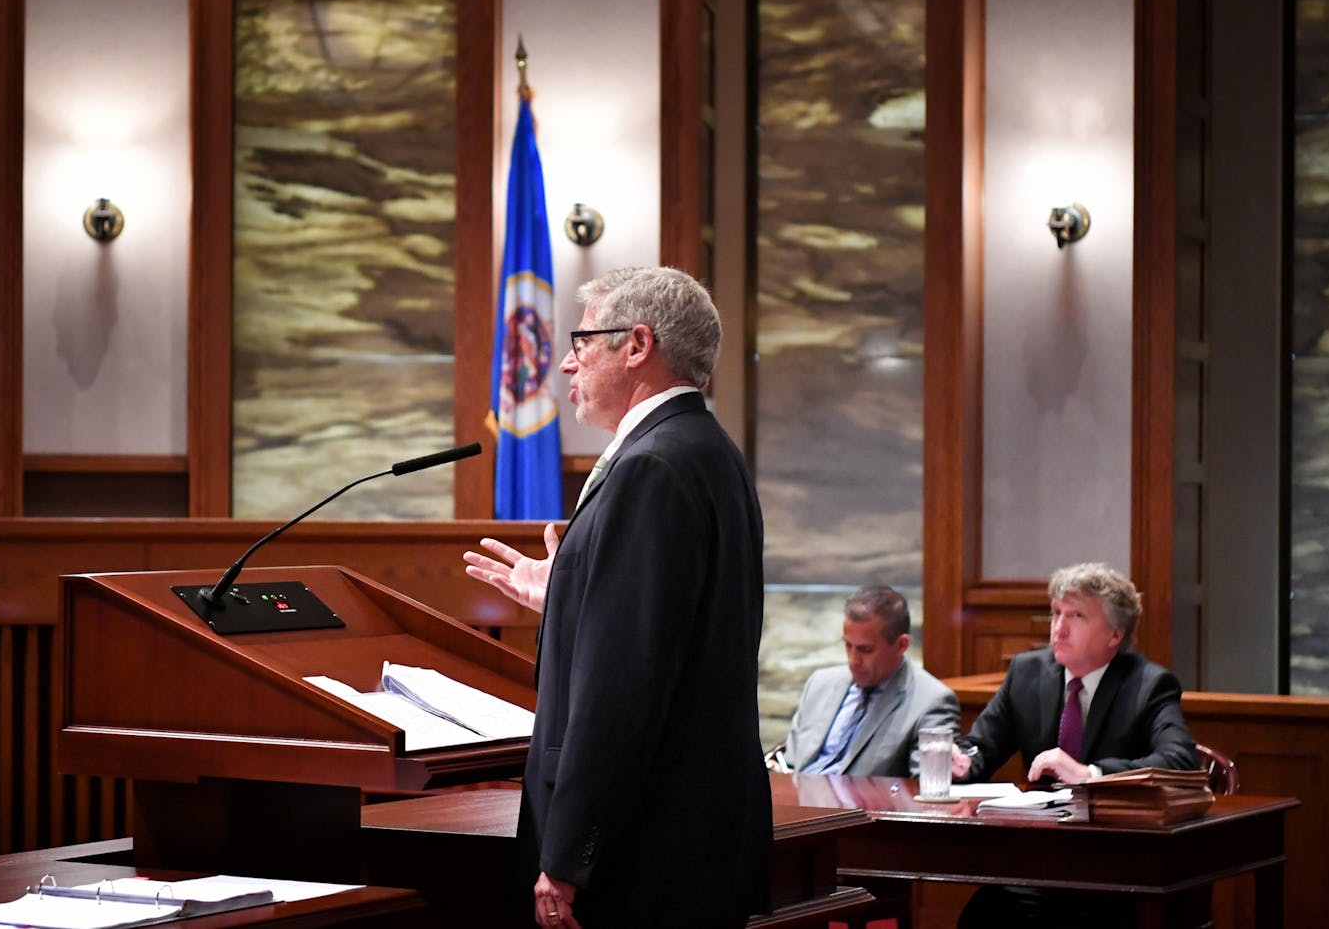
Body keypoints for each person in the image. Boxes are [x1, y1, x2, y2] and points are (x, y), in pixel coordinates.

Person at [463, 266, 771, 929]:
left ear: (637, 345)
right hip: (690, 836)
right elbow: (668, 630)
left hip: (641, 854)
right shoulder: (710, 452)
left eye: (582, 341)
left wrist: (572, 854)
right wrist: (571, 595)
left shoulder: (651, 467)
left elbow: (622, 688)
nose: (567, 365)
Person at [951, 561, 1199, 928]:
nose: (1059, 628)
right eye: (1055, 613)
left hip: (1115, 863)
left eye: (1077, 616)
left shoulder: (1149, 685)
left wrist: (1090, 774)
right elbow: (981, 746)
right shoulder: (1026, 673)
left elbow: (1181, 760)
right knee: (984, 915)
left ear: (1115, 634)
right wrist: (962, 759)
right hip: (1039, 856)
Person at [782, 585, 959, 776]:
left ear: (901, 645)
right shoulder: (820, 684)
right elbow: (789, 765)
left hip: (861, 804)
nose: (853, 659)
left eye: (865, 650)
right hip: (795, 799)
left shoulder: (931, 701)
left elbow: (926, 786)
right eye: (848, 645)